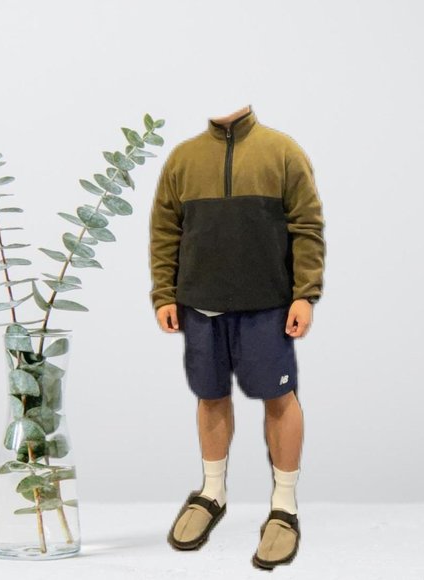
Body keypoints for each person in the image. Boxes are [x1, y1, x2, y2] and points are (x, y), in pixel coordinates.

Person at [149, 103, 326, 570]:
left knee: (280, 399)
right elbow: (165, 230)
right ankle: (212, 492)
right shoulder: (183, 157)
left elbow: (307, 225)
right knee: (209, 396)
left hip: (267, 305)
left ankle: (284, 505)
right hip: (199, 305)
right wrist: (164, 293)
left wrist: (305, 294)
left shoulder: (282, 151)